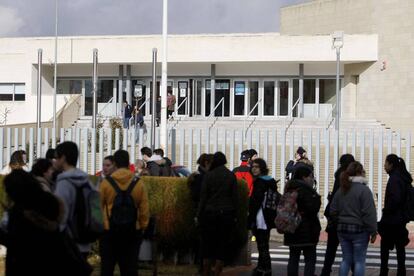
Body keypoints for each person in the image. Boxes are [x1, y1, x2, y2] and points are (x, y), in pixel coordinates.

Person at [0, 170, 92, 276]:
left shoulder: (20, 212)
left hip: (26, 266)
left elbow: (17, 243)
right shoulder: (50, 202)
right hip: (55, 262)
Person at [99, 149, 149, 276]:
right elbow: (144, 210)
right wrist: (142, 226)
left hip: (109, 232)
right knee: (130, 269)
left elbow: (97, 208)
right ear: (128, 164)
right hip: (132, 231)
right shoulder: (138, 183)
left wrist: (102, 226)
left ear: (114, 164)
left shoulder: (106, 183)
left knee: (107, 269)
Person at [330, 161, 377, 276]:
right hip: (359, 230)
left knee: (346, 259)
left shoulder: (342, 189)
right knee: (359, 261)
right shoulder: (364, 190)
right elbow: (369, 213)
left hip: (342, 229)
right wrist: (373, 231)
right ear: (360, 172)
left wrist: (340, 220)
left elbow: (333, 210)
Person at [197, 152, 238, 276]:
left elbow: (203, 197)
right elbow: (234, 198)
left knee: (208, 244)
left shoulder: (209, 176)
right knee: (222, 244)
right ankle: (217, 272)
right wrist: (235, 215)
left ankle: (206, 271)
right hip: (226, 214)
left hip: (210, 213)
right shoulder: (231, 176)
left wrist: (199, 214)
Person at [53, 141, 95, 258]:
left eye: (56, 157)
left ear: (63, 158)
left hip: (67, 243)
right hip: (85, 240)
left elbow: (61, 215)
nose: (54, 161)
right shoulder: (88, 181)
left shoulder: (64, 183)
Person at [320, 154, 355, 276]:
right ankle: (355, 272)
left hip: (336, 218)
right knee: (350, 249)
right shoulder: (353, 178)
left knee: (331, 248)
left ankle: (325, 271)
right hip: (349, 218)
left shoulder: (339, 175)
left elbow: (335, 196)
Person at [284, 166, 321, 276]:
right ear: (304, 177)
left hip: (291, 228)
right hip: (307, 229)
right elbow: (313, 209)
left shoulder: (290, 188)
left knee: (293, 258)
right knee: (310, 259)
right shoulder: (307, 191)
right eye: (311, 176)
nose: (312, 179)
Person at [379, 154, 412, 276]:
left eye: (386, 163)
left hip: (392, 219)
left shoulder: (395, 178)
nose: (384, 166)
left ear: (391, 165)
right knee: (400, 247)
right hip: (401, 218)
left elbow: (396, 199)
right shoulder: (402, 177)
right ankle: (401, 271)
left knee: (385, 246)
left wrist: (386, 210)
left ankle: (383, 271)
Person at [248, 158, 280, 276]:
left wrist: (250, 218)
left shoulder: (260, 182)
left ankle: (265, 269)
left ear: (262, 168)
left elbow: (256, 201)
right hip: (269, 216)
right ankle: (263, 268)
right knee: (264, 244)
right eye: (253, 166)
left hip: (260, 217)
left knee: (262, 245)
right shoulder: (270, 181)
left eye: (257, 167)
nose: (254, 169)